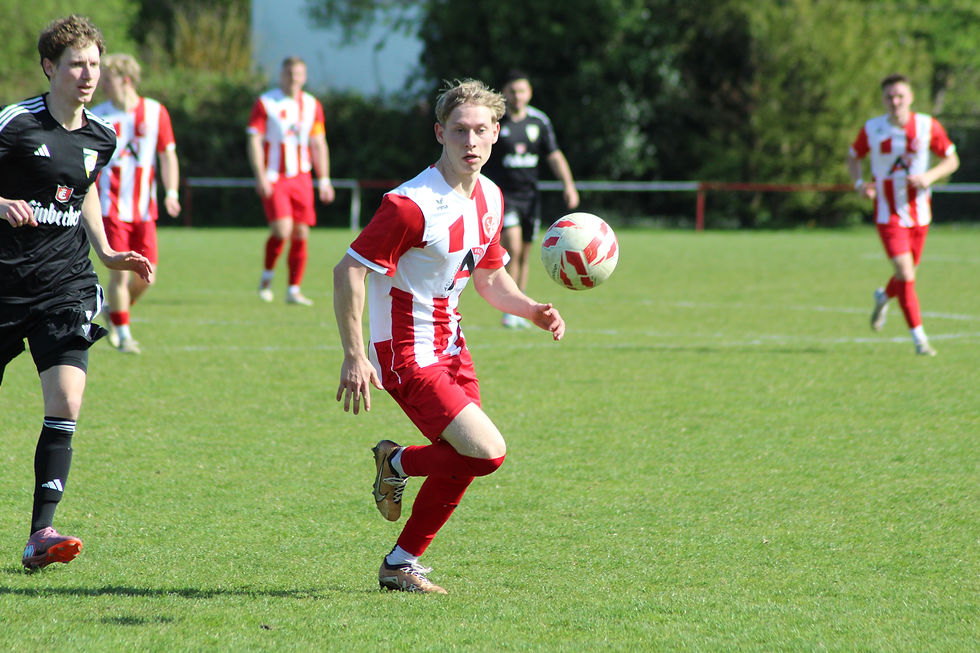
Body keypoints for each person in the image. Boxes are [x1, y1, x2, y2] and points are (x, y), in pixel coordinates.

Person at [333, 79, 565, 593]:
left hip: (452, 345)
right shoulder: (409, 204)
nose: (471, 141)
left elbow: (488, 276)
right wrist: (354, 355)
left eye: (481, 130)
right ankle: (395, 460)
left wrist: (531, 310)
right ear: (440, 133)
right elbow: (348, 270)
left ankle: (399, 565)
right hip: (403, 351)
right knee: (488, 452)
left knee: (466, 461)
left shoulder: (491, 196)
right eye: (459, 130)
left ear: (497, 133)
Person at [0, 14, 153, 570]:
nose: (88, 75)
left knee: (66, 402)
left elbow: (83, 192)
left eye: (93, 64)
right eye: (76, 65)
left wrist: (108, 251)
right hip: (5, 284)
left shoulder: (102, 136)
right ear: (49, 67)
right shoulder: (15, 124)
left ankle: (42, 533)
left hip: (64, 285)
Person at [847, 73, 959, 356]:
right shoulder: (873, 129)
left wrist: (929, 177)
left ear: (910, 97)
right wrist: (860, 185)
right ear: (883, 100)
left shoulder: (926, 125)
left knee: (906, 276)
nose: (894, 101)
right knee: (906, 273)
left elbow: (951, 160)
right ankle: (920, 340)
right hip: (888, 214)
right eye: (889, 96)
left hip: (920, 215)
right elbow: (853, 156)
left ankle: (883, 297)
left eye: (899, 96)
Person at [91, 53, 180, 354]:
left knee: (147, 276)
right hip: (109, 207)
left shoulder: (156, 112)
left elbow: (167, 154)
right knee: (119, 272)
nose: (101, 85)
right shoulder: (98, 114)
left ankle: (114, 309)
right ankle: (124, 335)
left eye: (108, 79)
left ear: (126, 80)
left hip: (144, 209)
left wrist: (172, 193)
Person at [482, 70, 579, 328]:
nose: (518, 96)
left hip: (530, 197)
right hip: (503, 196)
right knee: (511, 247)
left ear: (530, 93)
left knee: (524, 253)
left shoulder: (539, 122)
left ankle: (520, 308)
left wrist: (568, 186)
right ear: (505, 92)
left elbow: (554, 156)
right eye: (513, 91)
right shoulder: (495, 121)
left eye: (522, 90)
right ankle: (508, 309)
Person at [247, 56, 335, 306]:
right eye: (289, 73)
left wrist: (325, 179)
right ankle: (267, 277)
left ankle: (293, 289)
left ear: (304, 76)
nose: (293, 78)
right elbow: (254, 139)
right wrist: (260, 174)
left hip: (302, 177)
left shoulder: (312, 105)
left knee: (301, 232)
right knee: (282, 229)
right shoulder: (266, 102)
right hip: (275, 177)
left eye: (298, 74)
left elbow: (318, 143)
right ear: (281, 75)